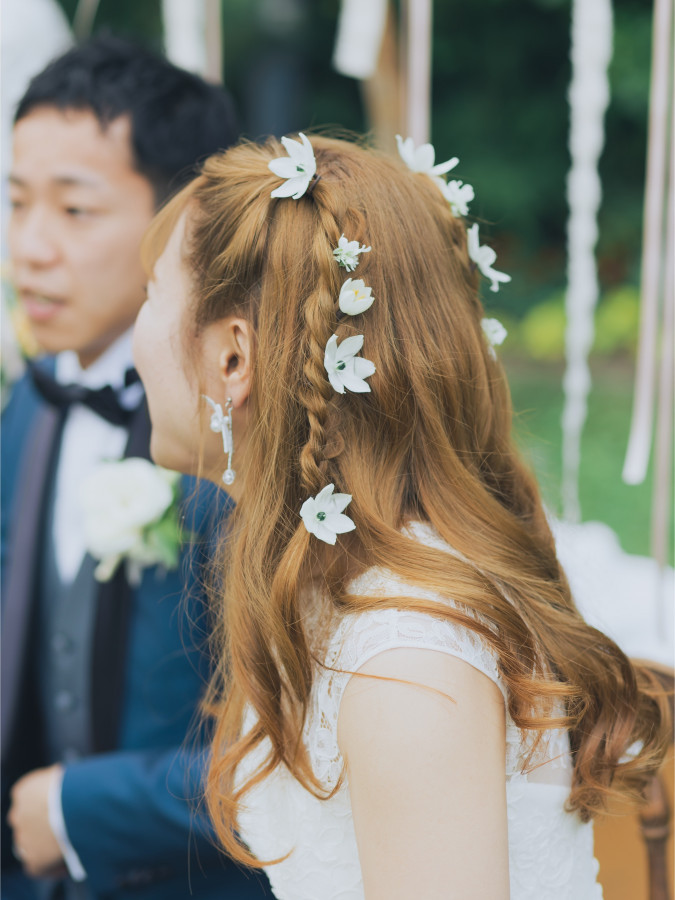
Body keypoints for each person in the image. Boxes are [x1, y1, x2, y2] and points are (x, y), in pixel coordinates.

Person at [132, 133, 669, 900]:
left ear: (232, 358)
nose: (135, 336)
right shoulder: (331, 588)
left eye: (151, 294)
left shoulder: (404, 659)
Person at [1, 35, 272, 900]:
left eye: (75, 212)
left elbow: (303, 750)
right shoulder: (32, 399)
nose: (29, 248)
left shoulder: (241, 434)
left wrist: (84, 810)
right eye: (14, 202)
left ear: (177, 218)